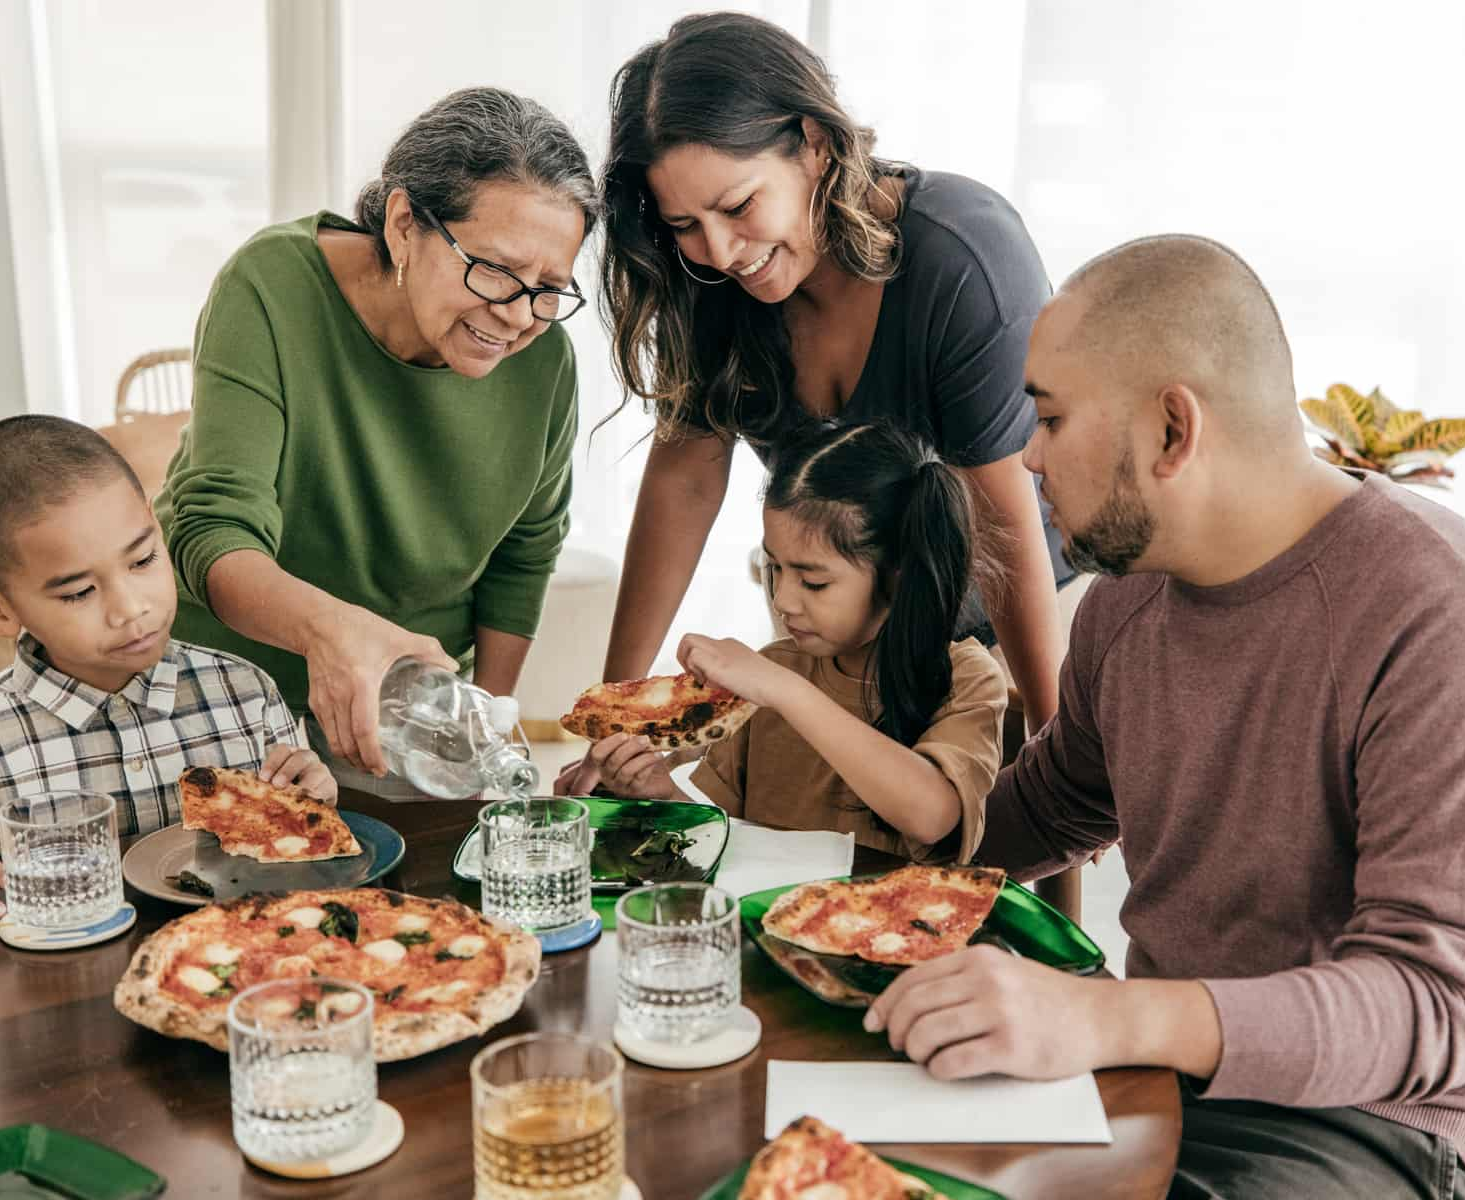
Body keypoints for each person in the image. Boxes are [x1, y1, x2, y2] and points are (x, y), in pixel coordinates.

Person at [867, 237, 1465, 1200]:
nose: (1024, 457)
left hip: (1415, 1145)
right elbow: (1046, 807)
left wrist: (1099, 1016)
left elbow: (1437, 1004)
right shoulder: (1123, 602)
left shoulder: (1444, 619)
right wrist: (849, 875)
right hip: (1179, 1087)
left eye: (1047, 418)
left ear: (1170, 429)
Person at [597, 12, 1077, 727]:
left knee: (1001, 821)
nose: (721, 252)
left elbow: (1003, 523)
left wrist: (1050, 742)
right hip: (846, 623)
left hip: (1022, 619)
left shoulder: (962, 258)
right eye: (685, 225)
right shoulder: (705, 280)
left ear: (814, 145)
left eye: (738, 206)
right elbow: (686, 478)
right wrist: (614, 710)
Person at [159, 87, 596, 795]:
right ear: (402, 224)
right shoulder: (273, 287)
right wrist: (334, 634)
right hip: (223, 698)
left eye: (549, 288)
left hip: (401, 716)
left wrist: (475, 724)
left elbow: (524, 555)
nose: (517, 317)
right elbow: (214, 526)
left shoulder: (545, 364)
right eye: (495, 270)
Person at [0, 416, 328, 933]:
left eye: (142, 560)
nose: (131, 609)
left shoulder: (246, 695)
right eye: (78, 592)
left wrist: (310, 801)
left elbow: (290, 858)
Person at [557, 420, 1006, 864]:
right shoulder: (771, 674)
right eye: (773, 569)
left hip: (899, 928)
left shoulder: (965, 678)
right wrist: (659, 796)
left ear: (898, 577)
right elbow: (727, 844)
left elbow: (931, 816)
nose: (783, 600)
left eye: (813, 582)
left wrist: (786, 692)